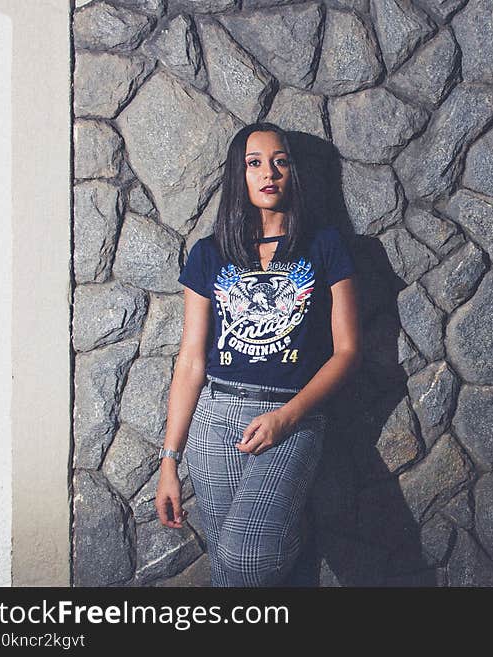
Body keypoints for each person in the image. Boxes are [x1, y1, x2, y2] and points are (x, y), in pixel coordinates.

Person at [154, 122, 361, 587]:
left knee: (244, 563)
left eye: (280, 161)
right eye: (254, 163)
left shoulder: (324, 246)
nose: (269, 173)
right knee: (234, 566)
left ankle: (295, 541)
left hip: (291, 419)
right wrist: (169, 461)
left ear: (293, 172)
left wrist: (288, 417)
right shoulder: (211, 254)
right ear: (239, 175)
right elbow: (190, 360)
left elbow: (347, 352)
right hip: (216, 419)